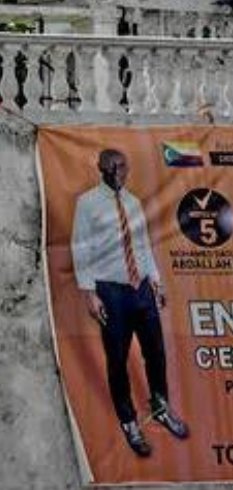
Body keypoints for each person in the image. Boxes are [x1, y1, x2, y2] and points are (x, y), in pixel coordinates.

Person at [71, 148, 188, 457]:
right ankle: (129, 422)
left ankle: (161, 407)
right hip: (110, 291)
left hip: (141, 290)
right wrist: (89, 293)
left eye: (124, 166)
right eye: (115, 167)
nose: (121, 172)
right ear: (102, 169)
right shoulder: (87, 204)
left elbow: (142, 245)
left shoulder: (134, 202)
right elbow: (80, 248)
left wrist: (156, 279)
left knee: (156, 353)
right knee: (118, 360)